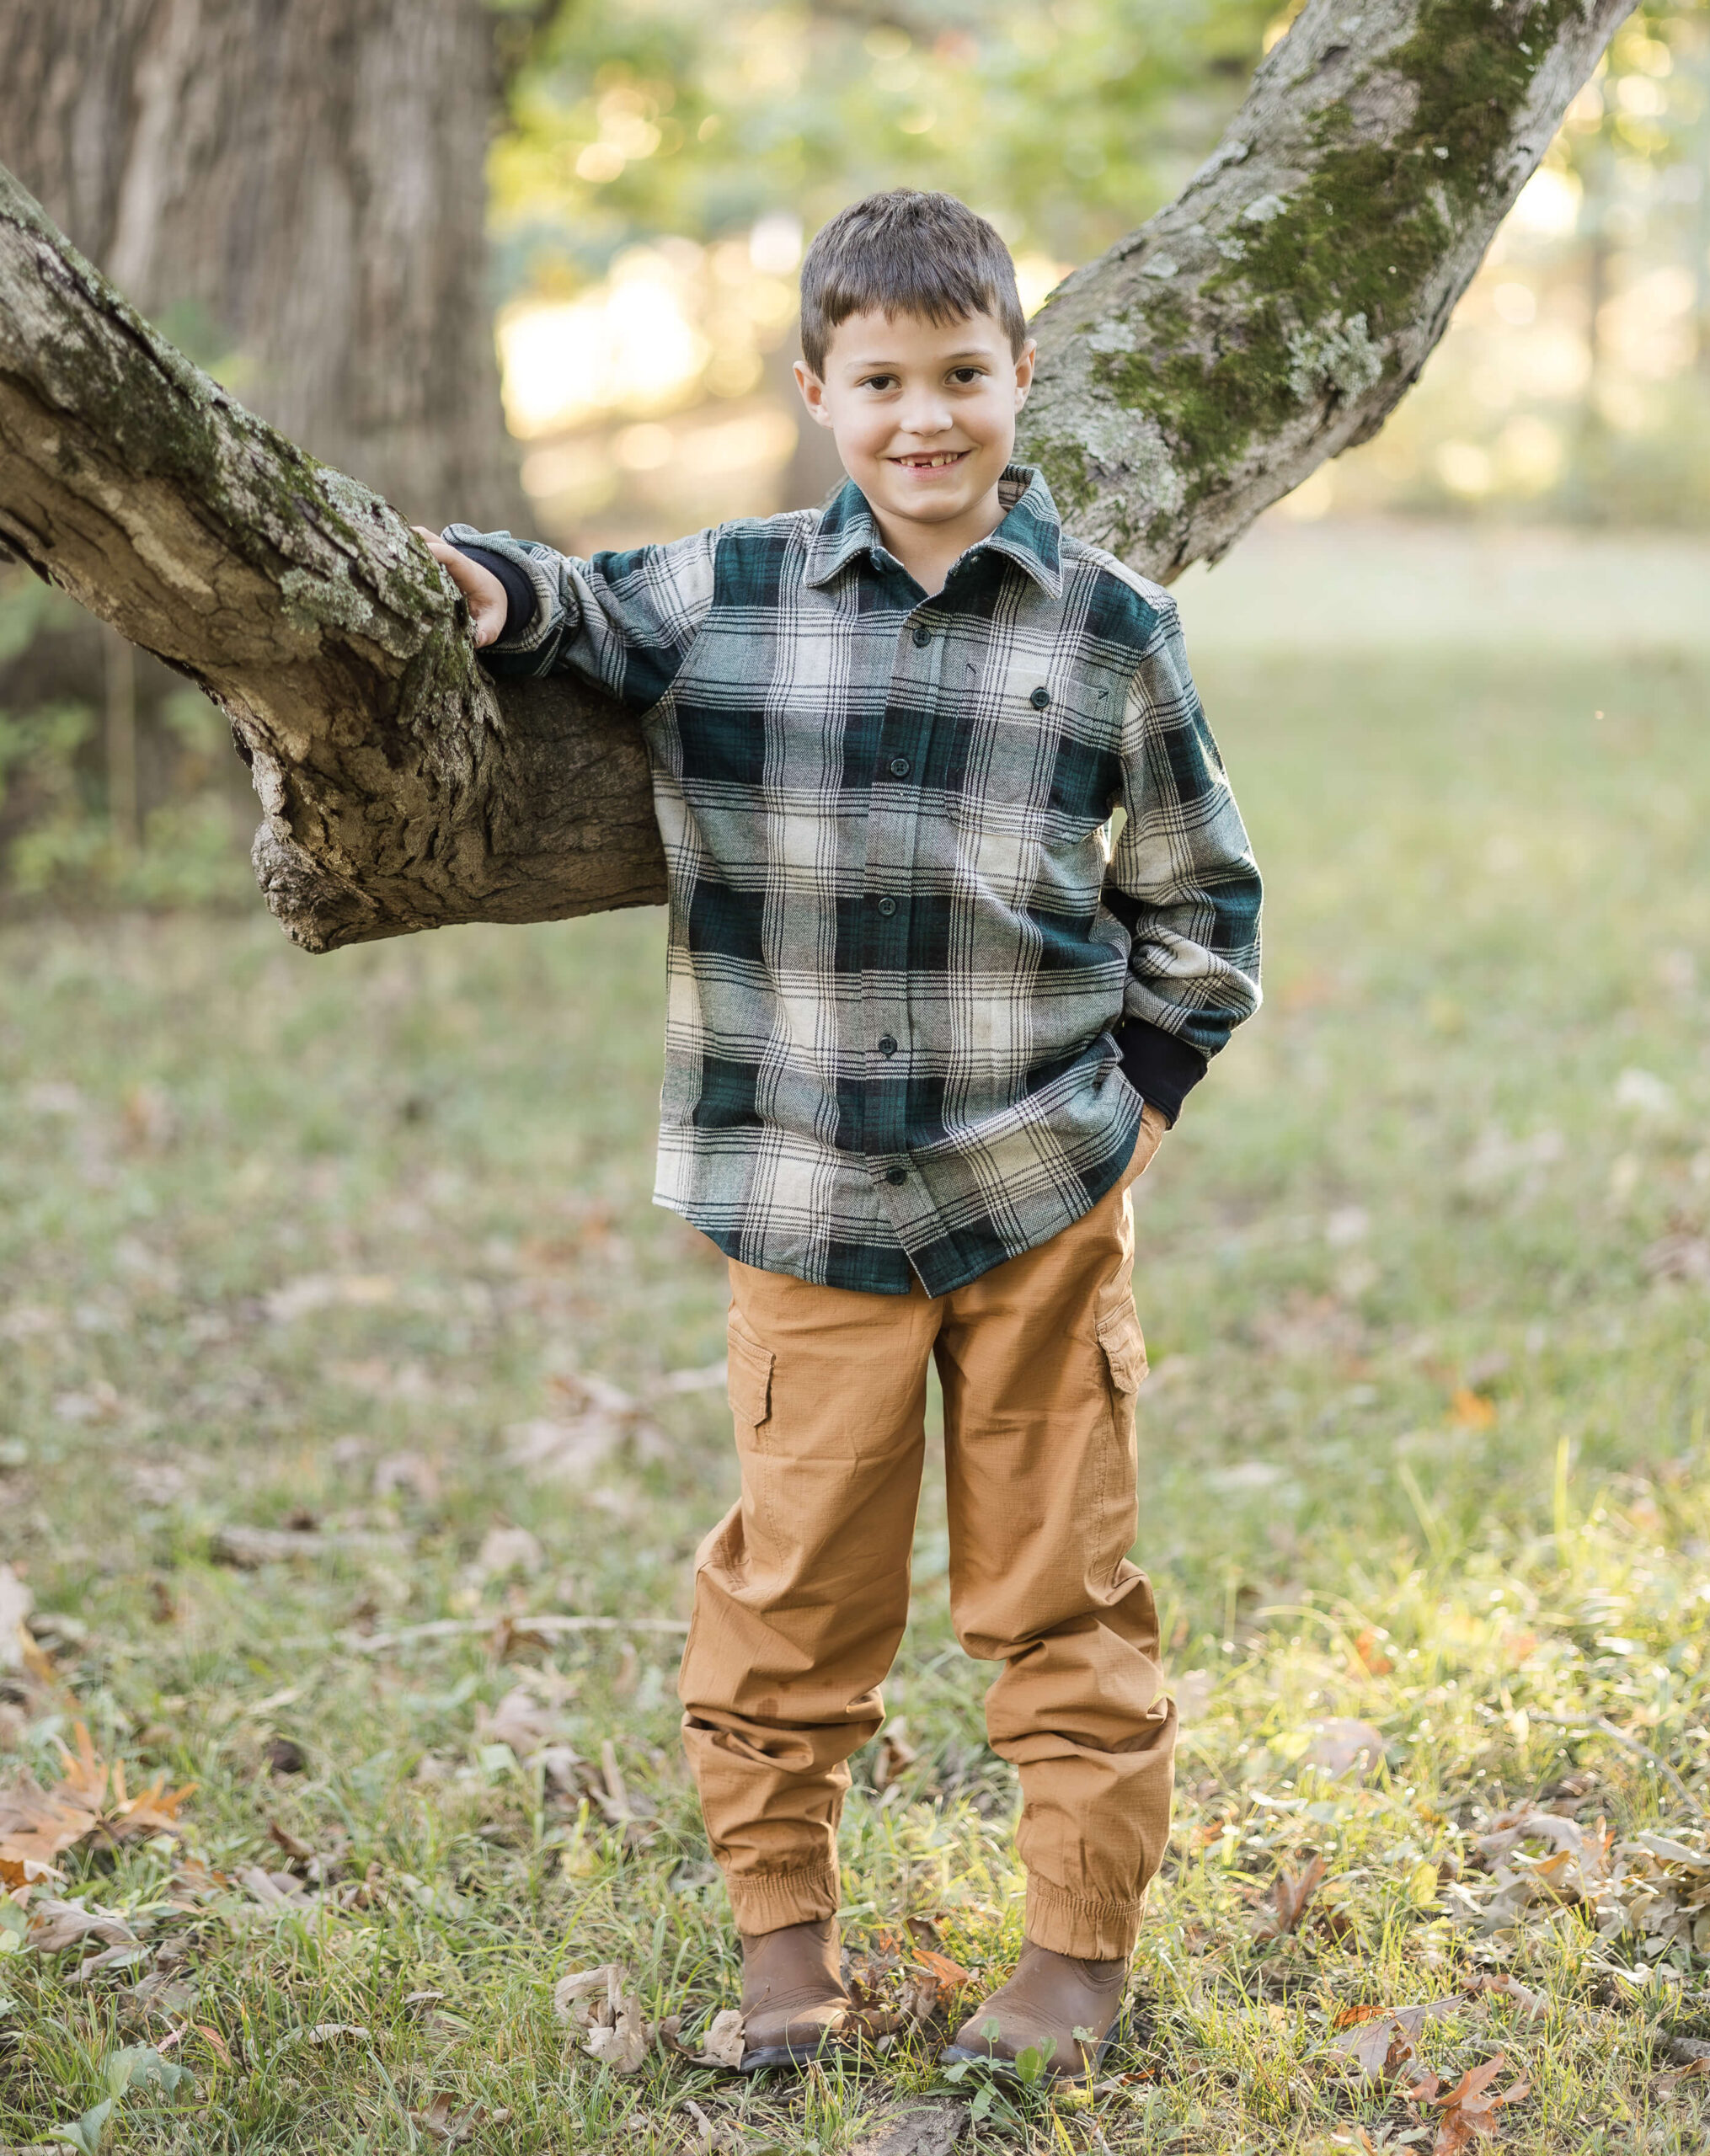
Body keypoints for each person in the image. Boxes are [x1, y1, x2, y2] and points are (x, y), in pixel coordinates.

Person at [417, 187, 1261, 2080]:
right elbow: (569, 605)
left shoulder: (1114, 628)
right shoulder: (728, 593)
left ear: (1019, 378)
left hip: (1038, 1190)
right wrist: (485, 585)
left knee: (1061, 1585)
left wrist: (1140, 1101)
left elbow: (1204, 895)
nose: (925, 417)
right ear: (818, 389)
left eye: (963, 374)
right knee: (792, 1588)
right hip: (798, 1202)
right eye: (880, 380)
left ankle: (1072, 1953)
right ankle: (783, 1943)